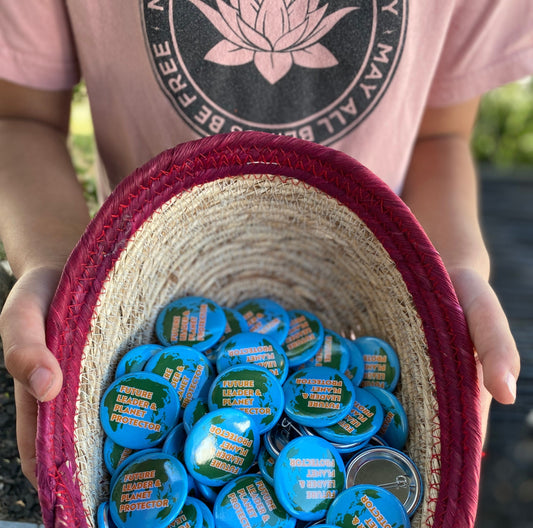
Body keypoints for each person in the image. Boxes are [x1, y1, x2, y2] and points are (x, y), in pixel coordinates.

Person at [0, 1, 531, 488]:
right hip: (138, 294)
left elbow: (442, 136)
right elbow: (22, 118)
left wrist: (451, 270)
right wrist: (58, 263)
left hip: (369, 293)